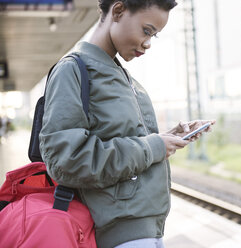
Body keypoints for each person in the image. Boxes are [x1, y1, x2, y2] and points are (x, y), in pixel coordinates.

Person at [39, 0, 215, 247]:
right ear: (119, 11)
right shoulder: (73, 70)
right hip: (117, 234)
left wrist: (167, 138)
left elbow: (126, 143)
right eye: (146, 30)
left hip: (148, 231)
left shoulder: (122, 75)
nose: (148, 43)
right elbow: (67, 161)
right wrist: (153, 147)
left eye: (154, 35)